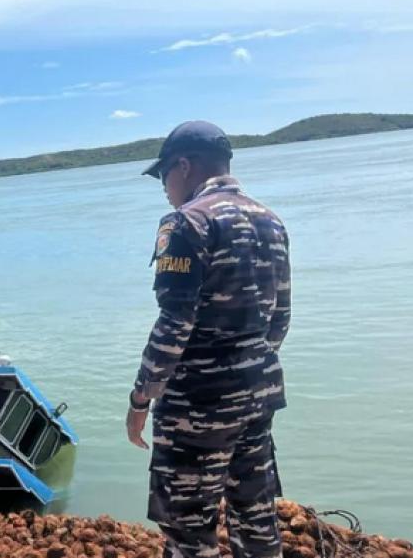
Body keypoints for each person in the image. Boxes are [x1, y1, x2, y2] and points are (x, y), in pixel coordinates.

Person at [125, 121, 291, 558]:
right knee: (256, 520)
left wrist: (141, 398)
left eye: (163, 175)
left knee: (188, 531)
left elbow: (174, 324)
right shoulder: (270, 220)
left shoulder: (186, 223)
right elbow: (279, 320)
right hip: (258, 394)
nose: (163, 187)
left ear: (183, 166)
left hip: (199, 407)